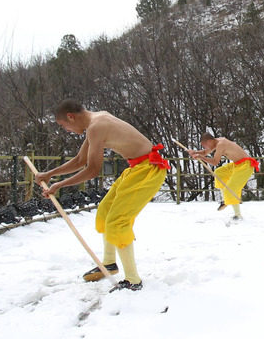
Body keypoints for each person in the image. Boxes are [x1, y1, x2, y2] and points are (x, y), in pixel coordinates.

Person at [36, 99, 170, 292]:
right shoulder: (96, 121)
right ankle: (109, 263)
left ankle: (133, 280)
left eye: (63, 126)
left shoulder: (96, 126)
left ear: (71, 117)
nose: (66, 130)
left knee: (117, 221)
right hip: (137, 168)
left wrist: (59, 185)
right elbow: (81, 159)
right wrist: (50, 175)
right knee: (105, 211)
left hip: (148, 169)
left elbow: (92, 170)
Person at [186, 133, 258, 222]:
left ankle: (238, 215)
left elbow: (215, 162)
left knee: (231, 189)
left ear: (209, 141)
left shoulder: (221, 144)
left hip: (246, 166)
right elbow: (205, 152)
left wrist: (200, 157)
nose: (206, 148)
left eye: (205, 145)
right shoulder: (216, 142)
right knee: (219, 173)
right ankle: (225, 200)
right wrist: (195, 152)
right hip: (237, 165)